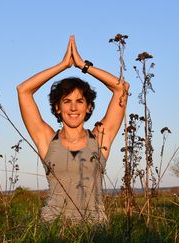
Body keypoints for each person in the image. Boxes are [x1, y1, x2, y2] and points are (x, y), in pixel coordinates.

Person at [17, 35, 129, 223]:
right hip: (54, 227)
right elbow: (23, 90)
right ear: (57, 108)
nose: (74, 108)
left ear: (89, 107)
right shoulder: (47, 140)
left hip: (94, 230)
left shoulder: (100, 138)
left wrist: (83, 66)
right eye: (66, 101)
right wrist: (63, 65)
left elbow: (122, 89)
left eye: (80, 101)